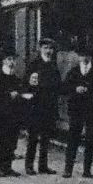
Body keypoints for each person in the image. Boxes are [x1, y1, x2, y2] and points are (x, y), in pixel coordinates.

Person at [62, 47, 93, 178]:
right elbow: (65, 88)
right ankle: (68, 169)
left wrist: (90, 90)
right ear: (78, 57)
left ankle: (87, 170)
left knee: (90, 139)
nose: (84, 58)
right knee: (73, 138)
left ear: (91, 57)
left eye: (87, 55)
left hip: (91, 109)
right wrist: (75, 89)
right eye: (82, 56)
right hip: (76, 109)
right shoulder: (73, 72)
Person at [0, 53, 32, 177]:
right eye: (9, 59)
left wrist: (21, 96)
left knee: (13, 142)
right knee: (3, 141)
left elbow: (22, 93)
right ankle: (2, 168)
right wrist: (8, 95)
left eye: (14, 60)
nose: (12, 62)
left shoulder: (17, 79)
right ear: (3, 61)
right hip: (1, 114)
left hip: (14, 114)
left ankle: (8, 167)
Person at [23, 37, 62, 175]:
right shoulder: (34, 65)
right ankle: (29, 165)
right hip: (36, 106)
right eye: (46, 48)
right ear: (40, 49)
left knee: (46, 138)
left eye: (51, 48)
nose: (49, 51)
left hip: (49, 106)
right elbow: (26, 84)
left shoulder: (53, 66)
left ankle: (43, 165)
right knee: (33, 137)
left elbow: (58, 86)